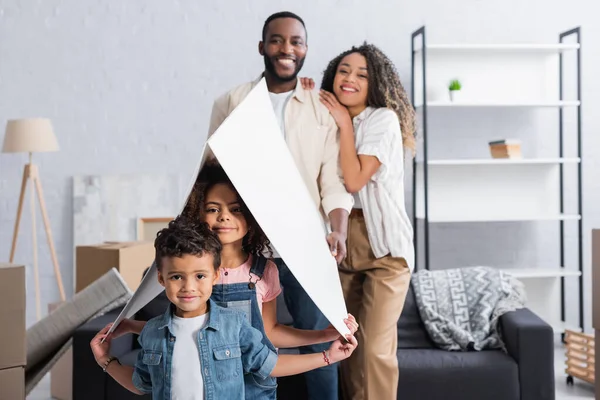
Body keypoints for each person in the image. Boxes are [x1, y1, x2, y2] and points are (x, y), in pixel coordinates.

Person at [110, 164, 358, 399]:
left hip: (255, 385)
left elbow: (269, 333)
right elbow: (183, 332)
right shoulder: (192, 273)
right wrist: (131, 326)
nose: (224, 217)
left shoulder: (263, 271)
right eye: (213, 209)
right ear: (197, 213)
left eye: (235, 209)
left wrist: (324, 335)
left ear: (251, 216)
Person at [207, 11, 353, 400]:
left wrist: (338, 229)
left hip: (305, 246)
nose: (286, 49)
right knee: (237, 341)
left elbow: (332, 181)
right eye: (277, 40)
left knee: (320, 342)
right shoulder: (232, 101)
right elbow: (212, 172)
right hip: (244, 247)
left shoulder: (320, 107)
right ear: (262, 47)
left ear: (305, 49)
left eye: (296, 41)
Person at [304, 43, 416, 400]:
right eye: (343, 71)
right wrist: (304, 95)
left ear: (376, 84)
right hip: (342, 245)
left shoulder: (382, 120)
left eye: (362, 75)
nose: (350, 79)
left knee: (374, 352)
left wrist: (343, 124)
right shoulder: (326, 116)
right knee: (348, 347)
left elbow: (353, 180)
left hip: (385, 250)